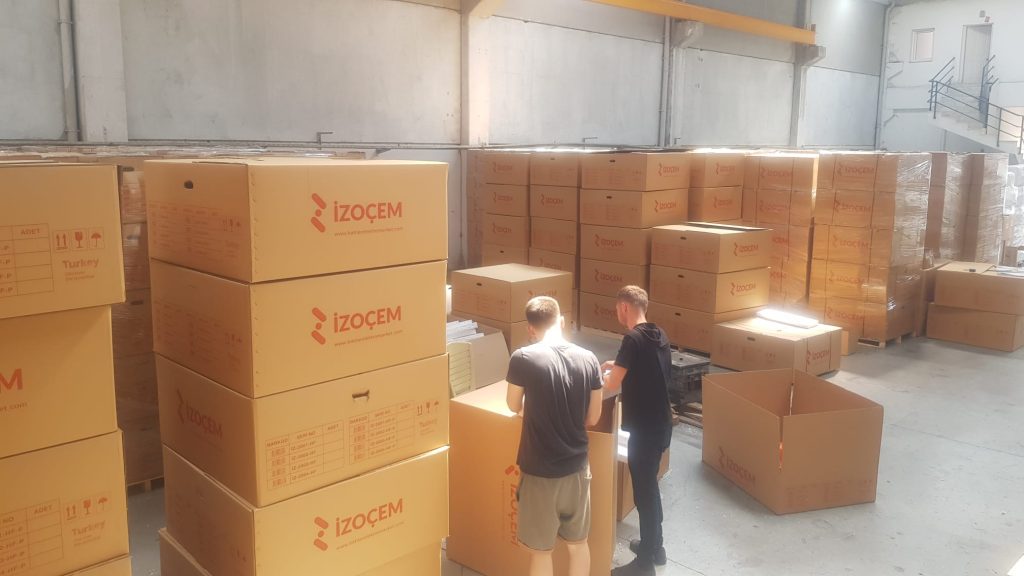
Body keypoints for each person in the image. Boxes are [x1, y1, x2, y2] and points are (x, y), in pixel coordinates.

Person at [506, 296, 605, 576]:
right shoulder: (589, 358)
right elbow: (593, 418)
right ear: (562, 321)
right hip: (578, 469)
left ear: (530, 329)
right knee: (578, 544)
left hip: (540, 472)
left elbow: (512, 405)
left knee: (541, 552)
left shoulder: (523, 358)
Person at [602, 286, 673, 576]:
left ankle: (644, 564)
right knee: (649, 487)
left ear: (624, 307)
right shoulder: (659, 334)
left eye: (617, 309)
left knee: (644, 492)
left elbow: (611, 383)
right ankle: (656, 548)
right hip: (661, 424)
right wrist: (617, 364)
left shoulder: (631, 339)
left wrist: (601, 373)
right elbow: (645, 368)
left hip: (644, 429)